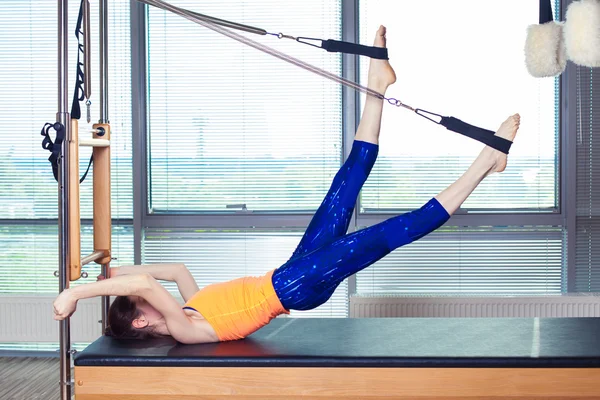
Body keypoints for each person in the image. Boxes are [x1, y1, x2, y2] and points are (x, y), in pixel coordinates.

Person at [53, 26, 521, 344]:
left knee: (344, 187)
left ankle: (377, 85)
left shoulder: (190, 305)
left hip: (290, 271)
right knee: (393, 232)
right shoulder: (182, 329)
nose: (152, 293)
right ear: (141, 319)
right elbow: (146, 284)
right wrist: (79, 292)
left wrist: (111, 273)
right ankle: (487, 160)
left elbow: (170, 269)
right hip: (296, 287)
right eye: (141, 301)